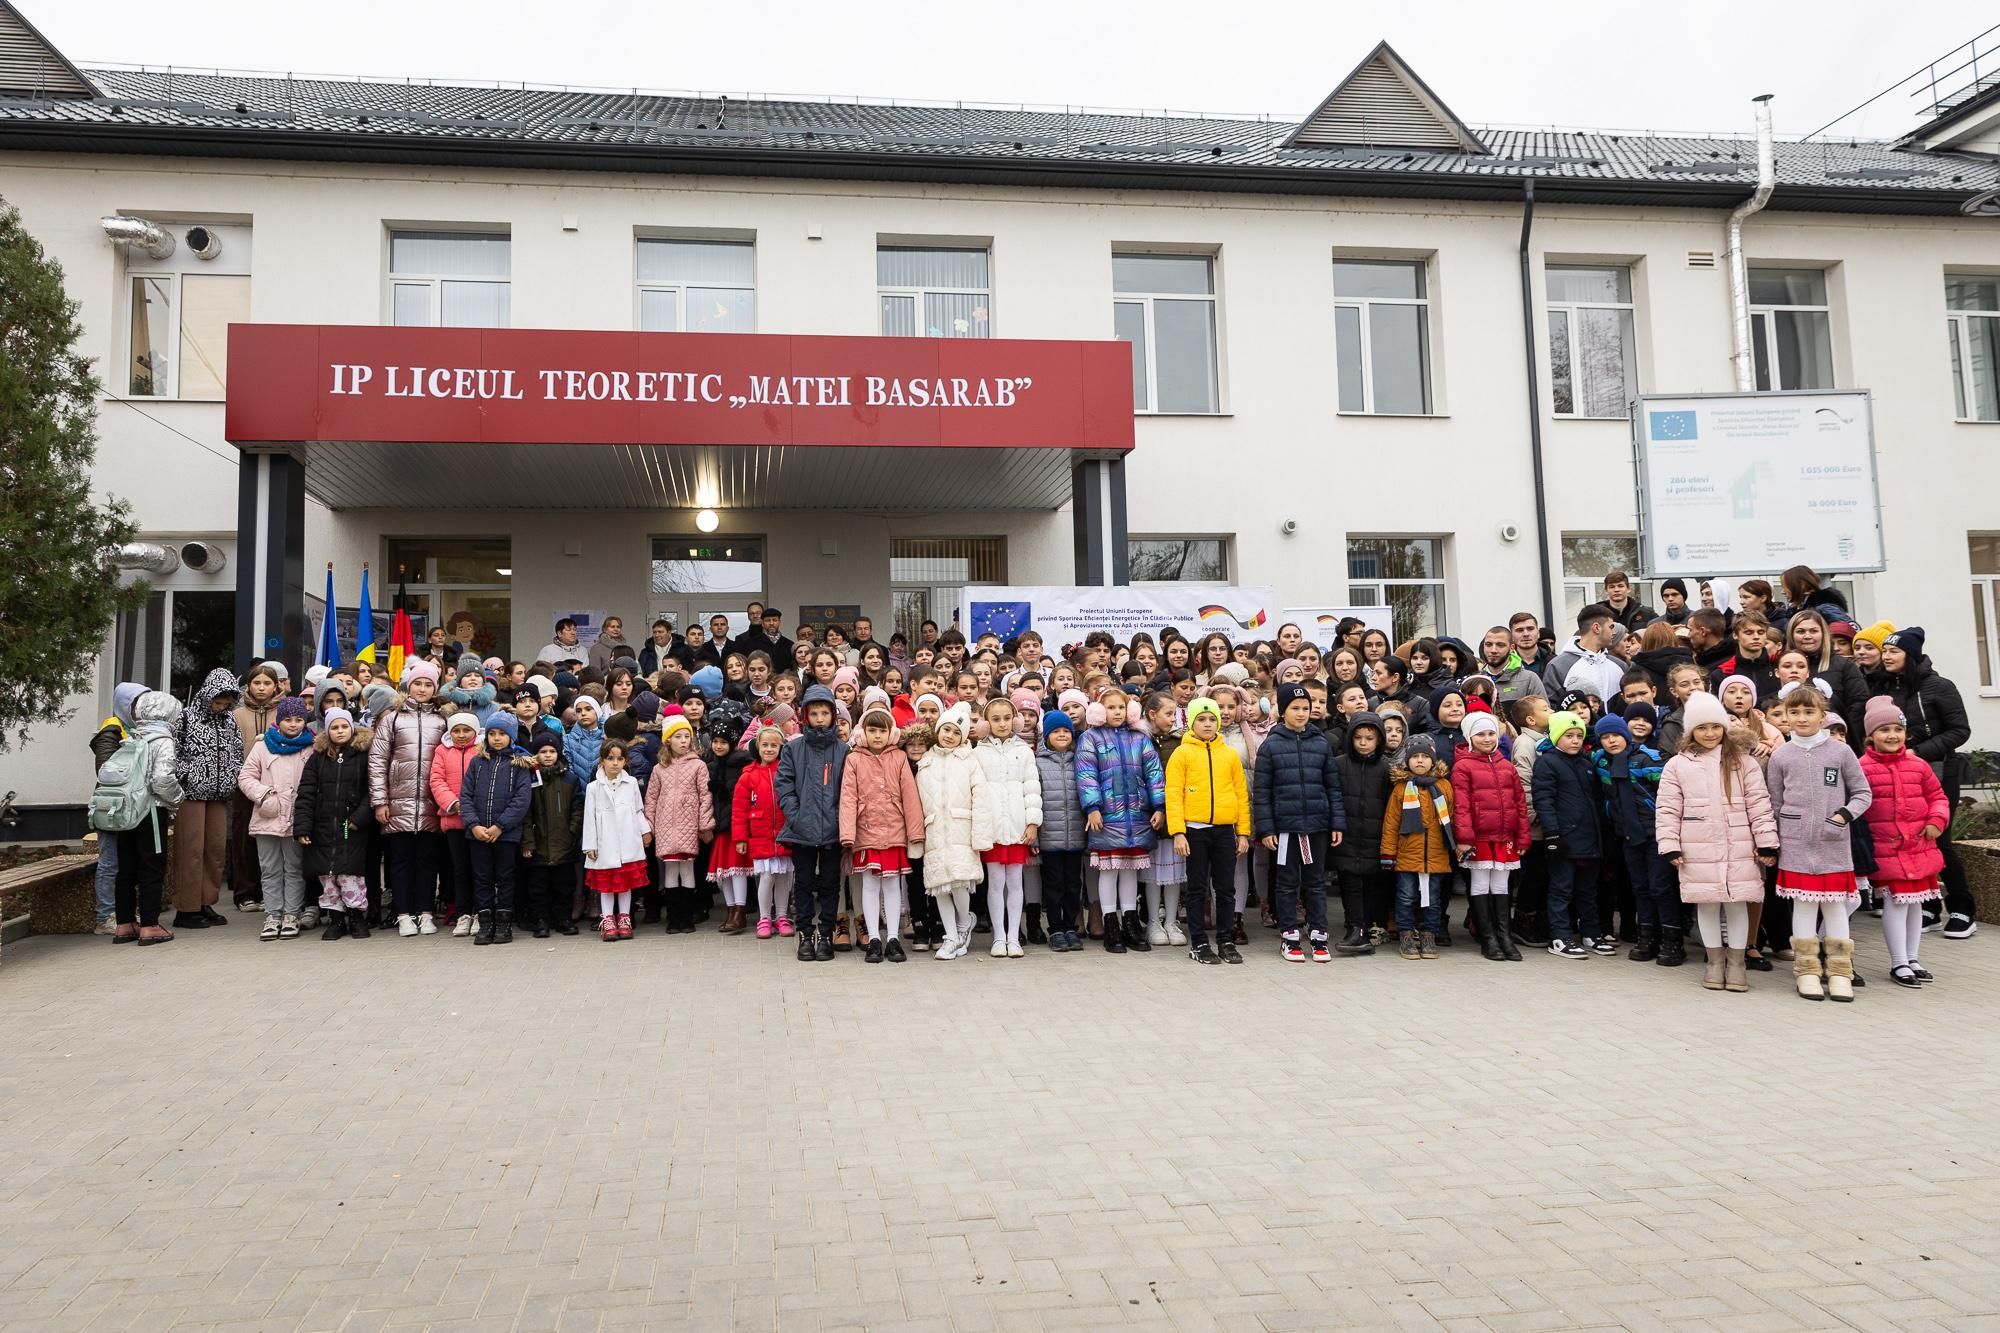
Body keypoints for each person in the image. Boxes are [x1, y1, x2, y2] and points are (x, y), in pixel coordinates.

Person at [1656, 692, 1779, 994]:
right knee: (1708, 904)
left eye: (1715, 726)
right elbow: (1668, 808)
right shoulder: (1678, 765)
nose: (1709, 734)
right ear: (1691, 731)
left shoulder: (1744, 762)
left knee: (1737, 903)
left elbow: (1759, 804)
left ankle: (1736, 961)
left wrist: (1766, 843)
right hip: (1698, 845)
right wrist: (1670, 844)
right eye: (1702, 727)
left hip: (1739, 844)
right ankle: (1714, 960)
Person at [1766, 681, 1872, 1001]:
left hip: (1833, 841)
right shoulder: (1781, 755)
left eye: (1809, 711)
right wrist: (1775, 838)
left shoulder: (1840, 752)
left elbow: (1863, 793)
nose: (1801, 718)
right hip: (1796, 843)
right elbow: (1774, 801)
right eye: (1794, 711)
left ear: (1822, 714)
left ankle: (1840, 971)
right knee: (1803, 906)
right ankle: (1807, 970)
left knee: (1835, 906)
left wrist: (1842, 816)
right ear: (1784, 714)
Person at [1873, 627, 1977, 939]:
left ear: (1911, 655)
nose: (1886, 656)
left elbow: (1960, 730)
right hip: (1901, 774)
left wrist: (1918, 751)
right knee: (1912, 839)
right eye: (1885, 651)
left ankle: (1962, 909)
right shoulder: (1886, 686)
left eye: (1894, 651)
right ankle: (1928, 908)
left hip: (1940, 770)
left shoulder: (1939, 687)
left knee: (1939, 839)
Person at [1858, 696, 1949, 988]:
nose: (1892, 735)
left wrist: (1937, 821)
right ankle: (1898, 961)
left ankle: (1913, 957)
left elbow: (1937, 797)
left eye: (1897, 729)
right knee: (1896, 904)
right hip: (1887, 849)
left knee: (1915, 905)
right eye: (1884, 730)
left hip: (1919, 846)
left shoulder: (1918, 765)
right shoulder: (1862, 767)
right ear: (1870, 735)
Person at [1249, 683, 1340, 965]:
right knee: (1287, 883)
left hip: (1316, 825)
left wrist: (1336, 822)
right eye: (1295, 708)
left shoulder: (1320, 742)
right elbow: (1262, 793)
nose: (1301, 713)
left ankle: (1318, 935)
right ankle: (1289, 934)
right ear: (1283, 711)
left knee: (1314, 883)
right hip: (1286, 828)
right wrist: (1267, 829)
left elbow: (1332, 787)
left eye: (1306, 708)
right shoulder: (1271, 745)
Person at [1077, 688, 1166, 954]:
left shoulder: (1140, 739)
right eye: (1111, 707)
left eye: (1121, 707)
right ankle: (1110, 922)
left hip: (1137, 815)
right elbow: (1086, 774)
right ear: (1099, 710)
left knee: (1129, 869)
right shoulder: (1090, 738)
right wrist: (1092, 807)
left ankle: (1130, 921)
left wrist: (1159, 806)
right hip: (1107, 817)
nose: (1117, 712)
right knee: (1109, 870)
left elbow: (1154, 773)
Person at [839, 701, 926, 964]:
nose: (878, 736)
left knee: (892, 885)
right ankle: (874, 938)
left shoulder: (898, 757)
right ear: (864, 732)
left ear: (891, 733)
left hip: (894, 830)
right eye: (872, 730)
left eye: (883, 730)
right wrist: (847, 832)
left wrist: (915, 832)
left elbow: (910, 796)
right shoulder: (853, 758)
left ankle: (893, 938)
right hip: (866, 832)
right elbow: (848, 797)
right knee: (869, 884)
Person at [1590, 712, 1679, 966]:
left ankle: (1671, 940)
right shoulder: (1600, 761)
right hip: (1627, 835)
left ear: (1626, 735)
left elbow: (1668, 793)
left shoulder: (1646, 759)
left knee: (1660, 887)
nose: (1611, 741)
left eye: (1616, 735)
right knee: (1639, 887)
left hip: (1655, 833)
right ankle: (1646, 936)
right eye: (1604, 737)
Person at [369, 659, 448, 938]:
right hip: (398, 803)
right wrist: (380, 801)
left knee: (428, 861)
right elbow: (378, 760)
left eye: (428, 684)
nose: (423, 689)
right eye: (418, 683)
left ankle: (425, 912)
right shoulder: (391, 718)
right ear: (408, 686)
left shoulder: (441, 719)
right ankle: (403, 914)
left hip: (431, 803)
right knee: (400, 862)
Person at [103, 690, 184, 945]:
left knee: (126, 868)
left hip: (126, 811)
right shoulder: (163, 740)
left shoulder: (132, 735)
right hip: (150, 811)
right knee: (152, 867)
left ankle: (124, 924)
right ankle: (150, 925)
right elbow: (162, 779)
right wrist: (178, 799)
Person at [776, 683, 847, 961]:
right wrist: (797, 815)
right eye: (814, 713)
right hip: (801, 829)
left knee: (830, 884)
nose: (819, 719)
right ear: (805, 716)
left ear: (833, 715)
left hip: (832, 830)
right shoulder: (794, 749)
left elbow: (849, 789)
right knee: (804, 883)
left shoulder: (843, 750)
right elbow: (784, 785)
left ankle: (826, 934)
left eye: (824, 713)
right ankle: (805, 933)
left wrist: (839, 818)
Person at [169, 667, 243, 931]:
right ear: (207, 694)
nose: (222, 706)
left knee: (214, 849)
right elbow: (173, 751)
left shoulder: (229, 720)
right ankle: (186, 908)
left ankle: (205, 901)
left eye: (227, 702)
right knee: (190, 849)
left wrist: (233, 775)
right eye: (218, 701)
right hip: (191, 794)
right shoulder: (187, 717)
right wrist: (187, 775)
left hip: (219, 794)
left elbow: (237, 750)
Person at [1451, 707, 1526, 962]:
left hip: (1505, 837)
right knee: (1481, 884)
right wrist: (1464, 838)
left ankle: (1504, 936)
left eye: (1491, 734)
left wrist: (1522, 836)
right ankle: (1488, 937)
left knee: (1501, 886)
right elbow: (1461, 806)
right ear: (1470, 737)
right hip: (1479, 838)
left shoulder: (1507, 767)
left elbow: (1519, 803)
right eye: (1480, 734)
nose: (1487, 739)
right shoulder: (1463, 767)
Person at [917, 702, 992, 960]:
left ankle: (963, 924)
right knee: (940, 886)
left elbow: (981, 799)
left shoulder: (970, 761)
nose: (949, 735)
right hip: (935, 831)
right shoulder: (926, 761)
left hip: (962, 830)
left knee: (960, 883)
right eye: (945, 729)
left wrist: (980, 837)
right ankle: (950, 936)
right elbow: (918, 800)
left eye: (955, 732)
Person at [1532, 710, 1609, 960]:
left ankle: (1590, 932)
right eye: (1569, 735)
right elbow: (1544, 799)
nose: (1575, 740)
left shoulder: (1586, 763)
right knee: (1562, 889)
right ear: (1556, 737)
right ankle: (1559, 936)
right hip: (1564, 839)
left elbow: (1595, 801)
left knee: (1588, 890)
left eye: (1579, 736)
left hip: (1589, 839)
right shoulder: (1548, 762)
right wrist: (1552, 833)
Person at [237, 695, 314, 940]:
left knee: (294, 868)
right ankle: (273, 914)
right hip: (267, 817)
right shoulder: (262, 746)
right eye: (288, 720)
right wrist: (265, 796)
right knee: (269, 868)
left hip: (296, 818)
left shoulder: (311, 746)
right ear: (279, 721)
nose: (293, 724)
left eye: (299, 719)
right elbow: (246, 777)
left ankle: (291, 913)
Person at [294, 706, 374, 940]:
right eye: (334, 728)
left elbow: (371, 791)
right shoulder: (317, 759)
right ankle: (336, 919)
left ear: (352, 728)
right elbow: (306, 793)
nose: (339, 732)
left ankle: (357, 916)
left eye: (343, 727)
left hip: (351, 828)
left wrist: (359, 818)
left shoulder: (362, 757)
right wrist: (303, 827)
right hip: (323, 827)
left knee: (350, 875)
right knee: (327, 875)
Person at [974, 695, 1043, 958]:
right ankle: (998, 936)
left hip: (1017, 827)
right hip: (992, 828)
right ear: (986, 722)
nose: (1002, 724)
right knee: (995, 883)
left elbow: (1032, 789)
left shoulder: (1024, 751)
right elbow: (976, 794)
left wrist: (1033, 823)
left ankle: (1014, 936)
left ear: (1014, 720)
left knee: (1015, 882)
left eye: (1006, 718)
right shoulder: (978, 752)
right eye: (995, 719)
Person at [460, 716, 535, 945]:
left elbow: (521, 800)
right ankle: (485, 923)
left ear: (510, 736)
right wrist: (474, 825)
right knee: (482, 878)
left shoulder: (519, 764)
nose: (496, 739)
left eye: (502, 734)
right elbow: (466, 796)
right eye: (492, 734)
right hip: (478, 833)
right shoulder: (477, 762)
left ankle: (503, 923)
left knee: (505, 877)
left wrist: (499, 826)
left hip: (506, 834)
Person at [1379, 735, 1455, 960]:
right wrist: (1388, 852)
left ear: (1433, 760)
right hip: (1407, 855)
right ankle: (1405, 935)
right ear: (1407, 760)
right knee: (1406, 897)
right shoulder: (1401, 789)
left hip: (1435, 854)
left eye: (1425, 756)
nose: (1420, 761)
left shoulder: (1443, 786)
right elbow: (1391, 823)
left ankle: (1429, 934)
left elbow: (1451, 818)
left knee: (1433, 898)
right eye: (1415, 757)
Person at [581, 740, 649, 941]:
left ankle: (625, 918)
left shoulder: (631, 784)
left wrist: (645, 831)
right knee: (607, 885)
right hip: (605, 843)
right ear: (602, 761)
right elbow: (589, 817)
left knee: (626, 884)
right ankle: (608, 919)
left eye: (620, 758)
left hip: (628, 840)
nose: (615, 763)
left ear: (625, 761)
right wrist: (590, 844)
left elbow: (638, 810)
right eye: (610, 758)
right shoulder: (593, 788)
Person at [519, 727, 584, 939]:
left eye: (552, 751)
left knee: (564, 886)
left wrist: (572, 832)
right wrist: (528, 843)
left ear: (558, 754)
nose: (547, 755)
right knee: (538, 888)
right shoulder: (528, 780)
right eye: (543, 751)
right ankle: (541, 920)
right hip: (538, 845)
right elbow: (525, 814)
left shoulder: (569, 780)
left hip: (564, 844)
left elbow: (577, 809)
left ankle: (563, 919)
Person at [230, 663, 284, 911]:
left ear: (276, 686)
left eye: (267, 683)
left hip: (277, 785)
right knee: (244, 838)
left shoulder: (284, 712)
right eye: (257, 683)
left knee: (275, 837)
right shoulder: (236, 715)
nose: (261, 688)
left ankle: (270, 892)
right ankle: (245, 892)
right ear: (249, 686)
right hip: (244, 785)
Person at [1035, 710, 1087, 953]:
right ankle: (1055, 928)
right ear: (1046, 736)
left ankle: (1070, 926)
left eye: (1066, 730)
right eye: (1056, 731)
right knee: (1054, 885)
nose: (1062, 734)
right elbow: (1036, 799)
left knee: (1073, 885)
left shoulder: (1081, 760)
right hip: (1050, 836)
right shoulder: (1039, 762)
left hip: (1075, 834)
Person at [429, 712, 481, 935]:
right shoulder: (442, 750)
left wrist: (472, 806)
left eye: (466, 730)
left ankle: (481, 911)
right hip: (453, 819)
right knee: (459, 869)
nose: (461, 735)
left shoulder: (481, 749)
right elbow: (436, 779)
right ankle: (463, 913)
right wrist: (453, 803)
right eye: (456, 731)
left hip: (478, 819)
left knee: (479, 868)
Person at [1546, 605, 1622, 702]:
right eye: (1611, 627)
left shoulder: (1620, 665)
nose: (1614, 632)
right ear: (1596, 628)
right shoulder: (1558, 666)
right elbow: (1553, 707)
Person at [1475, 626, 1545, 706]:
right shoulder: (1475, 681)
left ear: (1512, 648)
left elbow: (1543, 714)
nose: (1493, 650)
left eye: (1500, 645)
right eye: (1488, 645)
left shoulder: (1529, 679)